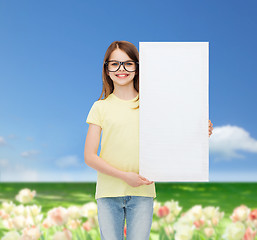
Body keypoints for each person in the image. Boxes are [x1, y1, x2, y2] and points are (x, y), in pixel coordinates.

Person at [84, 40, 214, 240]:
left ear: (137, 67)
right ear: (107, 69)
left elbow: (171, 138)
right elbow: (90, 156)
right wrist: (125, 176)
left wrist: (198, 131)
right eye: (115, 63)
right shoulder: (100, 107)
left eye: (128, 63)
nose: (122, 69)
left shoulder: (153, 105)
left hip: (143, 192)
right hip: (108, 193)